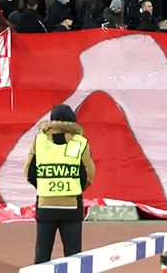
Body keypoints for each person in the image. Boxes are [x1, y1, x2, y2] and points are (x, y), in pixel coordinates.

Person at [23, 104, 96, 264]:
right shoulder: (80, 142)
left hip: (45, 206)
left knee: (42, 255)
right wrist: (75, 188)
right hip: (71, 207)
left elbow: (29, 170)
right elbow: (88, 173)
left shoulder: (39, 140)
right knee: (73, 257)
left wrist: (44, 184)